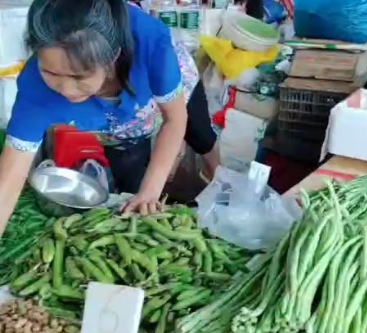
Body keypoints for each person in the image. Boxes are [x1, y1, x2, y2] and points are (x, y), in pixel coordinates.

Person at [0, 0, 220, 236]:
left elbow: (175, 119)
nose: (65, 89)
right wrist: (143, 194)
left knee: (200, 134)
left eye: (79, 76)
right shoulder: (36, 88)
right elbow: (10, 178)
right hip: (117, 122)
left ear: (112, 59)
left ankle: (220, 181)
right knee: (130, 175)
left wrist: (152, 189)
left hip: (162, 91)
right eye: (51, 72)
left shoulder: (150, 41)